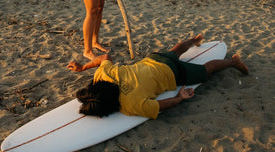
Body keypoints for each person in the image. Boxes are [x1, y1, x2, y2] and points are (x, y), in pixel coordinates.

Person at [67, 34, 249, 119]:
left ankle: (233, 62)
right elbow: (105, 57)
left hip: (171, 74)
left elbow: (163, 105)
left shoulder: (131, 105)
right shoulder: (103, 75)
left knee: (206, 71)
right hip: (153, 59)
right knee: (174, 51)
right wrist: (83, 67)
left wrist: (179, 97)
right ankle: (193, 41)